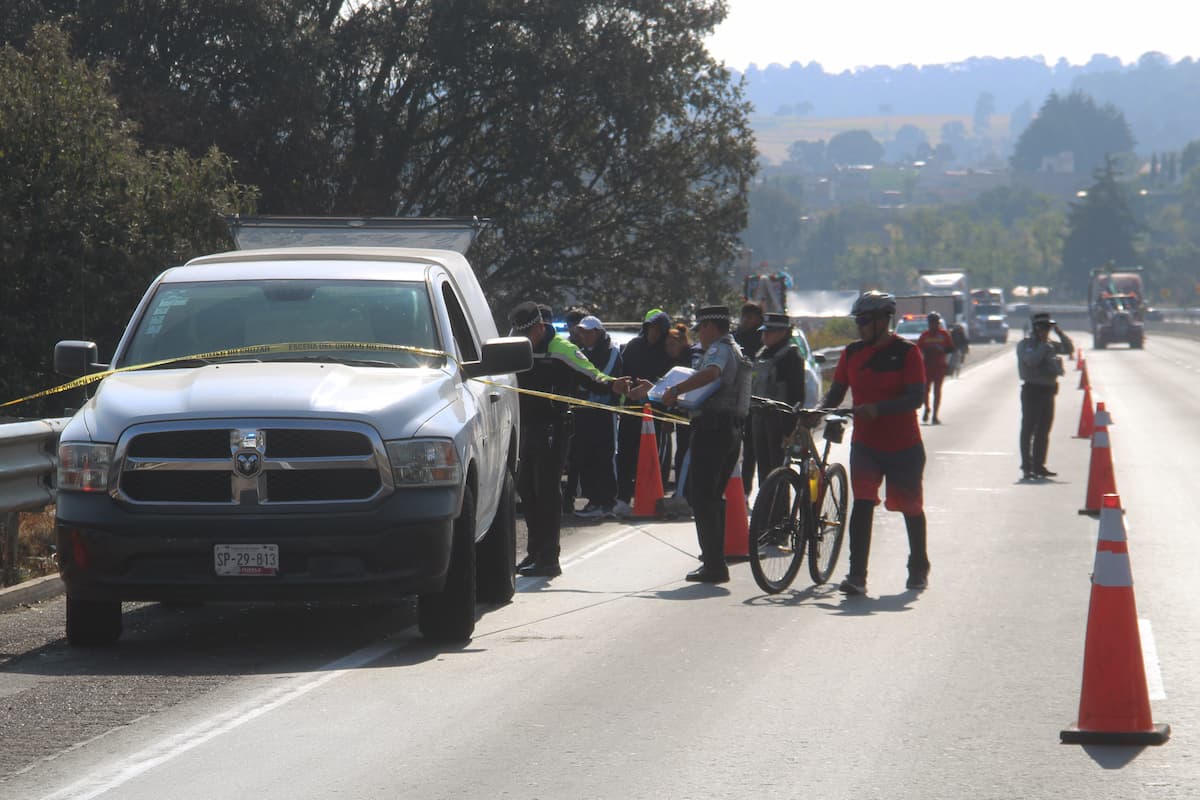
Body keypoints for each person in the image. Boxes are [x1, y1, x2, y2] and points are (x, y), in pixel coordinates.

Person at [507, 302, 637, 577]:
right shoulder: (515, 344)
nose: (522, 339)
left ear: (540, 328)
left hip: (553, 428)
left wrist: (612, 384)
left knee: (546, 491)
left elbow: (591, 374)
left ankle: (549, 558)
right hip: (525, 428)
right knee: (528, 491)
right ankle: (534, 551)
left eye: (527, 334)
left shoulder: (561, 349)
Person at [821, 290, 930, 595]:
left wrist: (878, 409)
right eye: (858, 320)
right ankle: (857, 576)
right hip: (866, 445)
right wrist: (815, 414)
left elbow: (916, 397)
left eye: (866, 320)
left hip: (903, 446)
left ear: (884, 320)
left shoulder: (908, 353)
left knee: (911, 507)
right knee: (863, 504)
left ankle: (918, 567)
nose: (861, 326)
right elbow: (835, 393)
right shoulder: (852, 353)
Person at [653, 305, 751, 583]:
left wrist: (676, 390)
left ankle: (714, 564)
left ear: (710, 327)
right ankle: (714, 560)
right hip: (727, 430)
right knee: (711, 496)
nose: (699, 336)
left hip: (713, 430)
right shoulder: (734, 347)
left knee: (703, 496)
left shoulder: (720, 349)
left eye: (701, 329)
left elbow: (711, 374)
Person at [614, 307, 674, 515]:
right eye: (651, 328)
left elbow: (670, 381)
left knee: (651, 457)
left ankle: (649, 498)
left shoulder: (667, 352)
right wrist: (629, 389)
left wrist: (650, 390)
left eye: (658, 330)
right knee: (625, 454)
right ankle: (622, 497)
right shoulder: (634, 346)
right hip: (631, 409)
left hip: (655, 412)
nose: (654, 333)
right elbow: (623, 372)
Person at [572, 315, 623, 518]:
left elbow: (604, 380)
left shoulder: (613, 353)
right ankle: (593, 501)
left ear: (597, 332)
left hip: (604, 412)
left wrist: (587, 384)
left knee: (605, 455)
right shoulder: (582, 353)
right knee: (586, 456)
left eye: (586, 332)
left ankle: (608, 501)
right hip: (585, 412)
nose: (582, 335)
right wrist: (587, 384)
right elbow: (579, 379)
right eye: (580, 332)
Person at [750, 312, 807, 485]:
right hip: (759, 419)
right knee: (764, 472)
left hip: (780, 422)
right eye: (764, 331)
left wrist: (789, 431)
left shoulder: (790, 356)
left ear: (783, 333)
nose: (764, 335)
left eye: (770, 332)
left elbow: (796, 395)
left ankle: (780, 511)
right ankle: (766, 510)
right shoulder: (762, 354)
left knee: (778, 472)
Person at [1017, 311, 1074, 481]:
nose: (1045, 331)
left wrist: (1059, 332)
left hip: (1048, 391)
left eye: (1047, 328)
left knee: (1043, 430)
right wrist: (1043, 347)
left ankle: (1039, 465)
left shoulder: (1051, 344)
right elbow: (1030, 361)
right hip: (1032, 390)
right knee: (1028, 429)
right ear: (1035, 328)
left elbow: (1069, 349)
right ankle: (1027, 467)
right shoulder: (1027, 344)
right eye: (1042, 327)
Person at [663, 322, 701, 491]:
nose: (669, 349)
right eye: (667, 346)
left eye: (672, 344)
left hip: (691, 413)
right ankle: (682, 490)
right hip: (680, 414)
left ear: (682, 342)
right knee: (681, 453)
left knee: (687, 454)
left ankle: (684, 492)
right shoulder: (673, 362)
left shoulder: (691, 358)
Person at [734, 302, 765, 496]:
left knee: (752, 449)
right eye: (745, 316)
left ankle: (746, 490)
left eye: (751, 317)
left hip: (756, 400)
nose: (747, 320)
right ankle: (735, 490)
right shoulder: (735, 337)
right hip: (735, 397)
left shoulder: (762, 340)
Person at [916, 311, 956, 424]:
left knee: (937, 391)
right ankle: (927, 408)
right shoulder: (924, 335)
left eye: (935, 323)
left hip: (939, 367)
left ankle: (935, 415)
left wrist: (941, 350)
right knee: (925, 390)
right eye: (931, 323)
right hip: (927, 367)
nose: (933, 325)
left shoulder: (944, 335)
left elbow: (951, 349)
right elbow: (918, 350)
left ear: (938, 323)